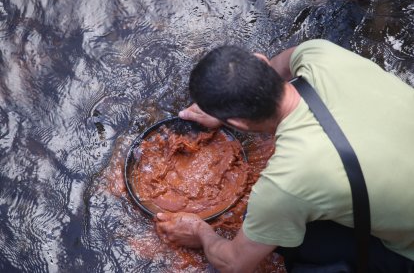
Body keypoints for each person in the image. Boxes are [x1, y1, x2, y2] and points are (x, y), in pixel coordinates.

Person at [155, 39, 414, 272]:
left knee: (286, 237)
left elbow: (233, 264)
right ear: (260, 59)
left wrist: (201, 232)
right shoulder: (320, 53)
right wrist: (226, 110)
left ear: (239, 123)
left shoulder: (286, 181)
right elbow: (283, 66)